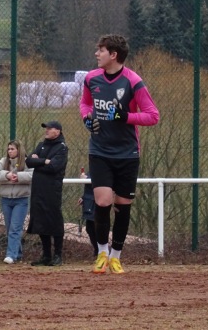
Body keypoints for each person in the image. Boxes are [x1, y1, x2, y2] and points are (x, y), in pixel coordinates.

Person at [80, 34, 160, 274]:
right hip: (100, 151)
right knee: (102, 202)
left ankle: (116, 256)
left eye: (100, 50)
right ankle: (102, 253)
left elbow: (152, 115)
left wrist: (126, 117)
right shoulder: (91, 79)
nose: (97, 54)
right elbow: (85, 104)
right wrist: (87, 119)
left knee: (122, 206)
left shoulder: (133, 81)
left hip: (127, 154)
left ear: (113, 55)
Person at [26, 121, 68, 267]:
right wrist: (44, 161)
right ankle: (46, 255)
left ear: (58, 131)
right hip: (38, 189)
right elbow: (29, 161)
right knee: (41, 221)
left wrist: (39, 162)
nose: (47, 131)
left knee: (54, 221)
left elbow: (54, 167)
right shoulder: (41, 145)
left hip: (52, 190)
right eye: (46, 128)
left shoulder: (62, 148)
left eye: (50, 128)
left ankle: (58, 255)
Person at [0, 140, 33, 264]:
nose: (10, 151)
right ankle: (17, 254)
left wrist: (18, 177)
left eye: (12, 149)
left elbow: (32, 175)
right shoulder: (4, 161)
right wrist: (7, 175)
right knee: (10, 228)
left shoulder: (27, 162)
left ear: (19, 150)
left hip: (21, 200)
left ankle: (11, 255)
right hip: (6, 199)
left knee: (15, 228)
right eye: (8, 149)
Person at [78, 168, 98, 257]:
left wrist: (86, 179)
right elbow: (90, 188)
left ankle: (101, 250)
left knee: (96, 227)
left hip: (98, 200)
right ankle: (97, 250)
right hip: (90, 201)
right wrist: (83, 197)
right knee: (90, 228)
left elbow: (101, 182)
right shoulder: (93, 166)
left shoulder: (102, 164)